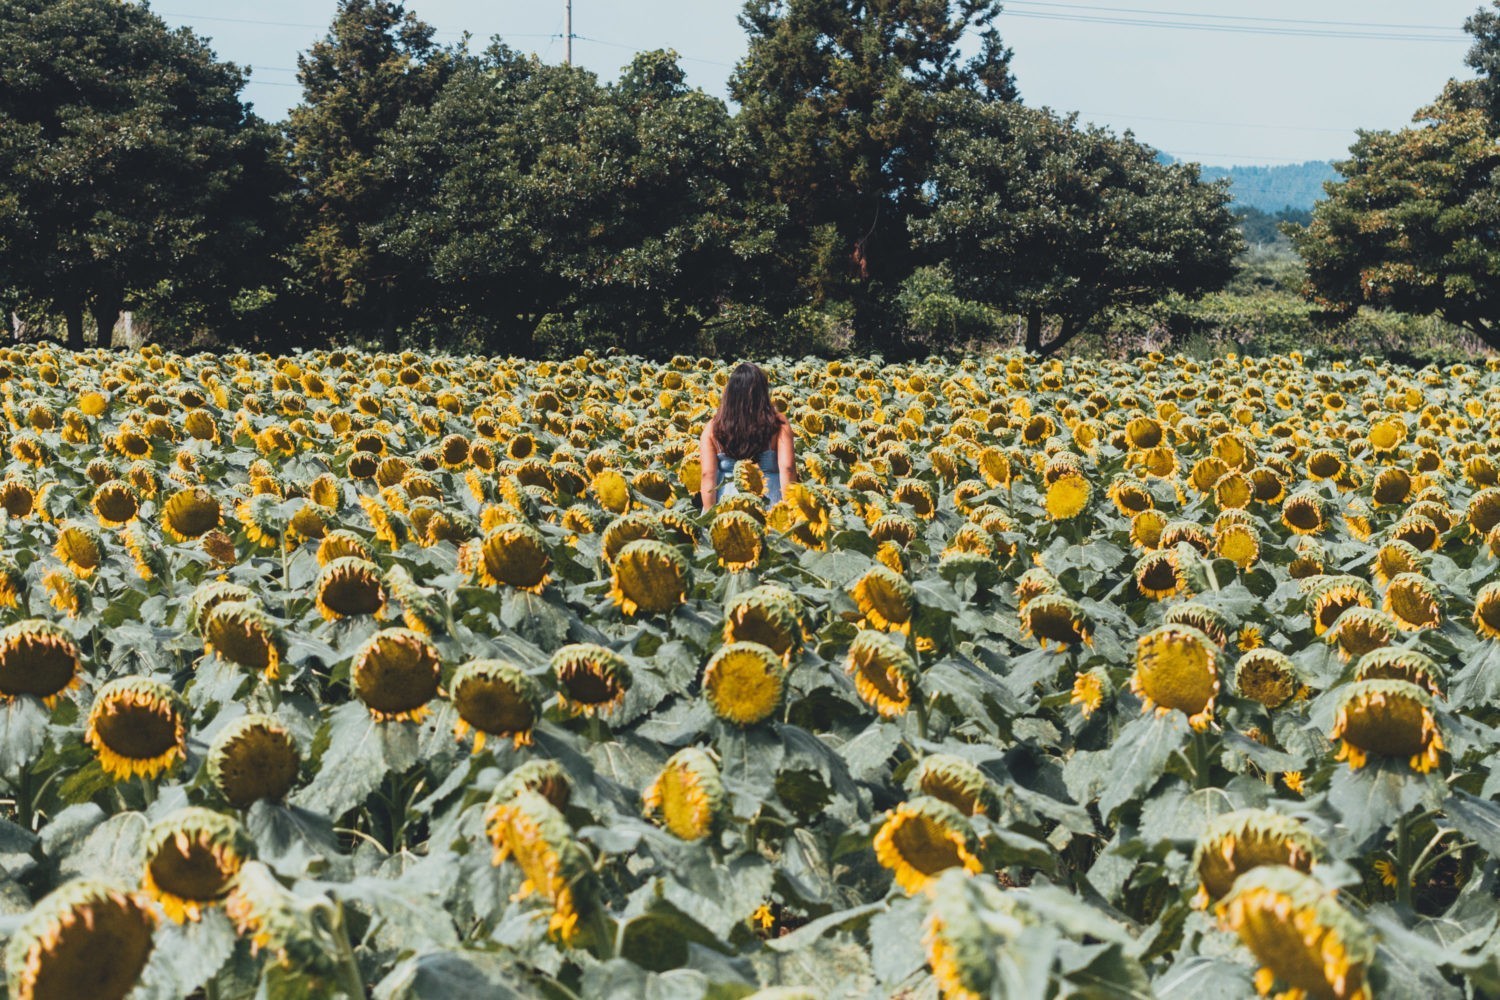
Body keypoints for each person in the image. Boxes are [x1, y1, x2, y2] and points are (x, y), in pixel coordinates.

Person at [699, 362, 795, 510]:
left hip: (729, 503)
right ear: (762, 392)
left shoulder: (712, 427)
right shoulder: (778, 423)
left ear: (730, 393)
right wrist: (790, 509)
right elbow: (787, 468)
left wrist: (709, 515)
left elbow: (707, 475)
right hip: (771, 501)